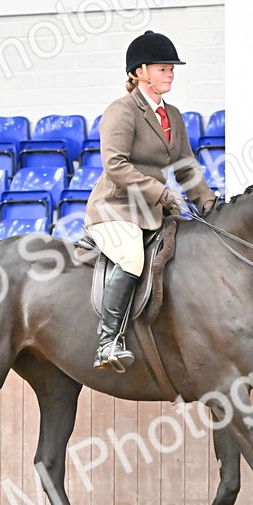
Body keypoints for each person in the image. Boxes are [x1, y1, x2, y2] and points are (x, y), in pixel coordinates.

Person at [83, 30, 218, 372]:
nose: (170, 74)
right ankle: (108, 341)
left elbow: (186, 166)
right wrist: (162, 193)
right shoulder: (122, 111)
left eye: (171, 69)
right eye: (162, 68)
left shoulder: (173, 115)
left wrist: (207, 202)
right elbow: (115, 166)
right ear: (139, 72)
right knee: (131, 258)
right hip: (116, 208)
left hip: (153, 210)